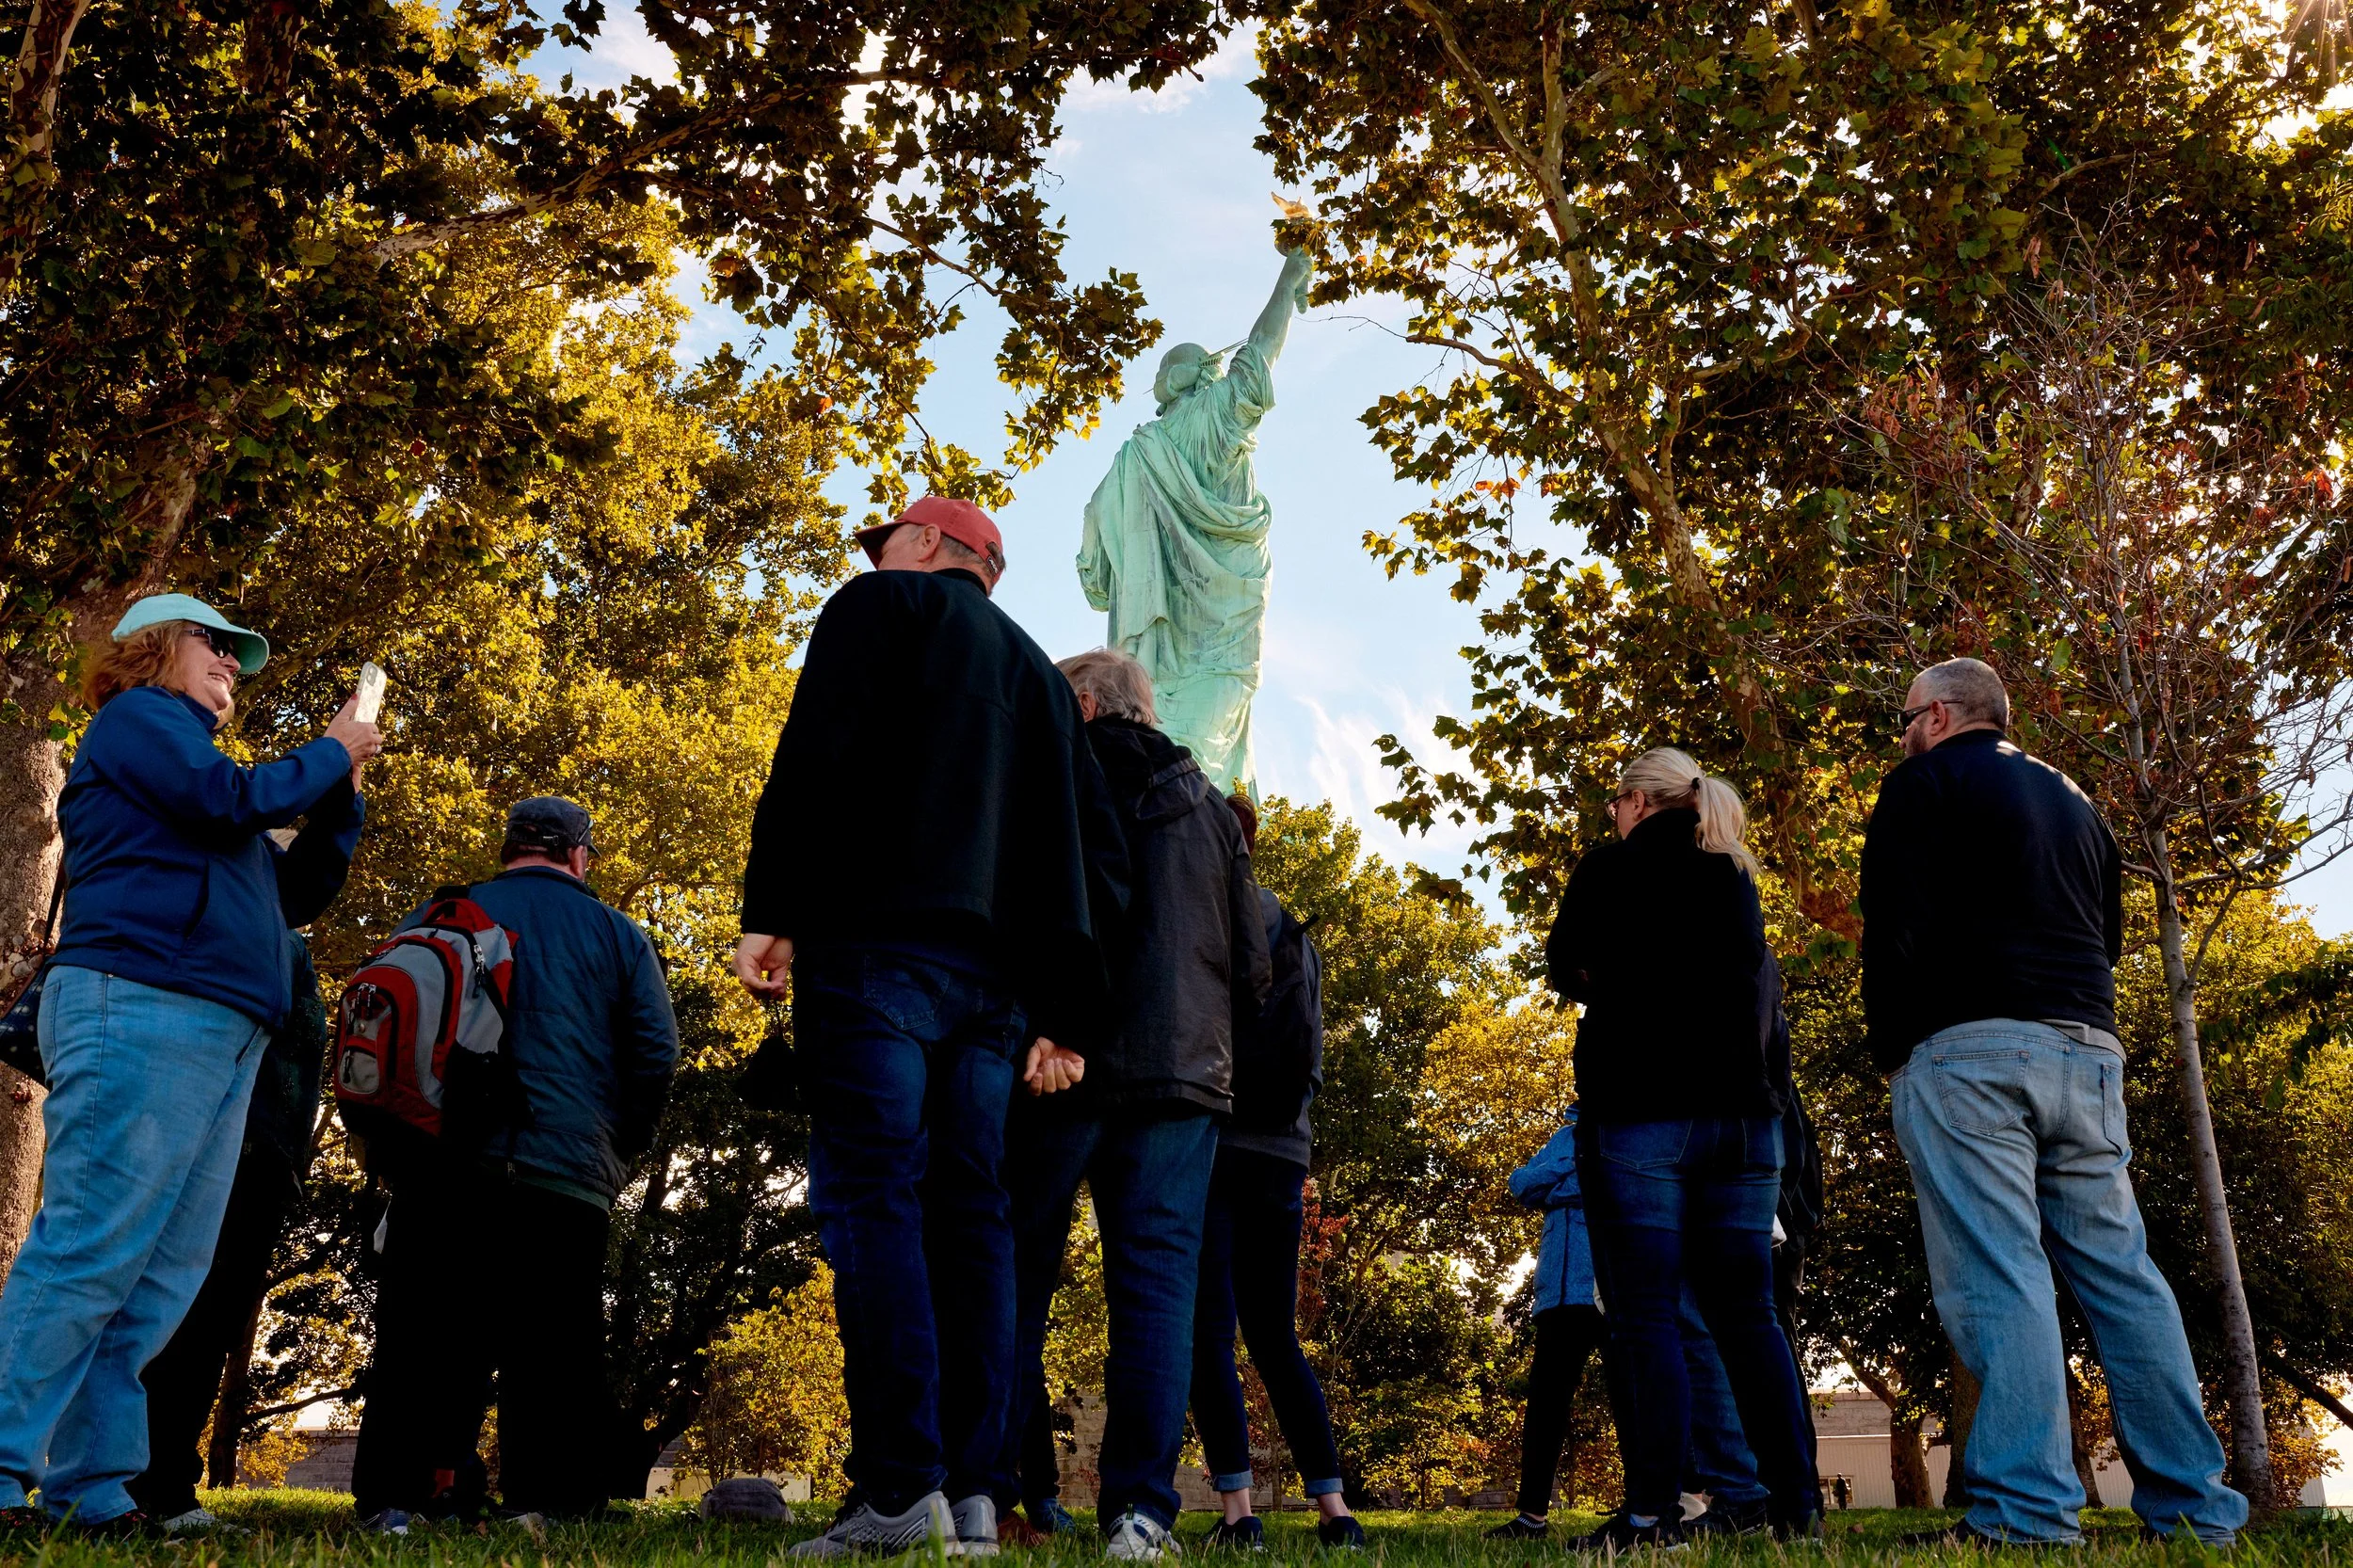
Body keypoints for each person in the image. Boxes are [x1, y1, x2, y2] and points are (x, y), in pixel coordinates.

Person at [734, 497, 1128, 1560]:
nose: (879, 555)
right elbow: (1080, 854)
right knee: (975, 1221)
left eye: (888, 539)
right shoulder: (1046, 680)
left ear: (928, 548)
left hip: (875, 952)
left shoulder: (878, 605)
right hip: (997, 989)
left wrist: (769, 909)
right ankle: (970, 1495)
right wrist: (1064, 1010)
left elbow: (816, 751)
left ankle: (898, 1488)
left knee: (874, 1200)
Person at [0, 593, 380, 1532]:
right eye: (215, 644)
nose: (231, 665)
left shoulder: (197, 770)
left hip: (218, 1027)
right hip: (142, 1003)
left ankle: (94, 1487)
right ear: (155, 648)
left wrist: (339, 790)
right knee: (93, 1246)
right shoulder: (137, 721)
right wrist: (326, 751)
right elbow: (233, 802)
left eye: (235, 654)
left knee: (159, 1275)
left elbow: (295, 888)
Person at [1863, 657, 2246, 1545]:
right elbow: (2104, 934)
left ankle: (2029, 1514)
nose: (1905, 731)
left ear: (1944, 715)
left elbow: (1894, 925)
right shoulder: (2077, 800)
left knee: (2001, 1274)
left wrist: (1897, 1055)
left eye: (1908, 716)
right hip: (2087, 1049)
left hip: (1971, 1050)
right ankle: (2194, 1510)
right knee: (2124, 1278)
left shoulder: (1923, 783)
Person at [997, 648, 1268, 1561]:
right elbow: (1251, 958)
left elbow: (1030, 916)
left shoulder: (1057, 777)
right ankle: (1140, 1517)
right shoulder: (1212, 813)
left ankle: (992, 1493)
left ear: (1080, 701)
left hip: (1059, 1064)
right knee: (1157, 1295)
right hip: (1184, 1080)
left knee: (1015, 1279)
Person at [351, 795, 679, 1528]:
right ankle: (550, 1503)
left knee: (422, 1341)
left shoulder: (440, 915)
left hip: (442, 1167)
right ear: (580, 855)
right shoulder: (617, 934)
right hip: (564, 1171)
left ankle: (401, 1499)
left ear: (508, 848)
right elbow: (658, 1053)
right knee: (553, 1351)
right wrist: (617, 1144)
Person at [1545, 747, 1820, 1548]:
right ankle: (1795, 1506)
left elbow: (1566, 967)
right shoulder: (1732, 872)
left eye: (1615, 803)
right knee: (1748, 1315)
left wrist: (1618, 983)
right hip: (1743, 1122)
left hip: (1643, 1115)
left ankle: (1651, 1514)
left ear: (1636, 802)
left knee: (1647, 1319)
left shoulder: (1608, 870)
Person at [130, 814, 365, 1531]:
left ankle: (148, 1476)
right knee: (196, 1324)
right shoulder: (270, 948)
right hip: (243, 1155)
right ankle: (161, 1485)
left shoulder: (253, 940)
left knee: (179, 1320)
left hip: (226, 1149)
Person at [1189, 793, 1363, 1552]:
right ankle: (1336, 1512)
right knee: (1275, 1334)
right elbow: (1311, 1052)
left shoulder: (1204, 915)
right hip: (1285, 1149)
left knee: (1206, 1334)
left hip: (1216, 1139)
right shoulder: (1293, 929)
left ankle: (1239, 1515)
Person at [1488, 1109, 1772, 1541]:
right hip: (1555, 1294)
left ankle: (1648, 1506)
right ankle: (1531, 1516)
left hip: (1613, 1287)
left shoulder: (1639, 1132)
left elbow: (1620, 1190)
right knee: (1545, 1406)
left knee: (1633, 1403)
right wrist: (1575, 1162)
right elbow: (1521, 1184)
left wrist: (1557, 1182)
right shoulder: (1565, 1137)